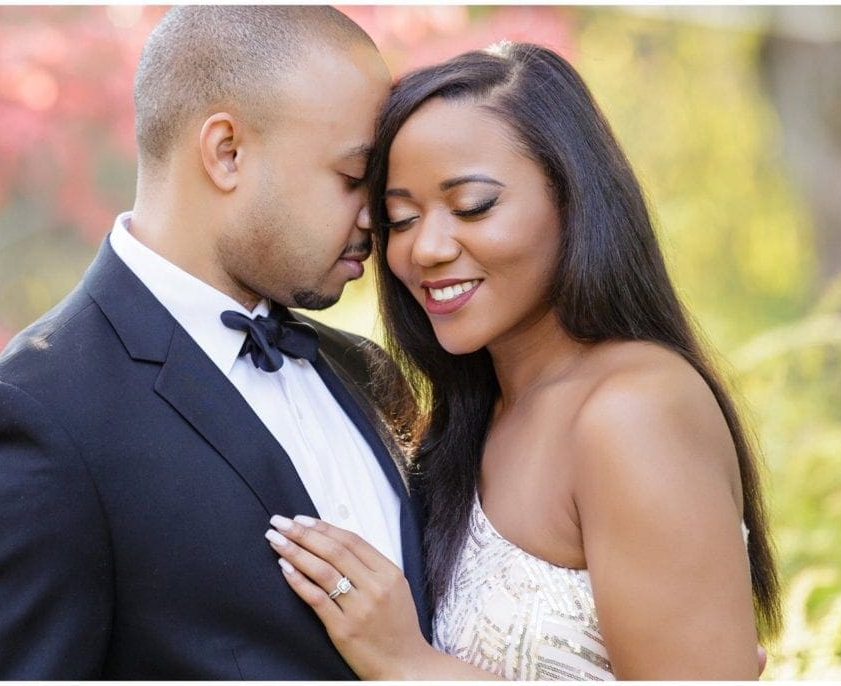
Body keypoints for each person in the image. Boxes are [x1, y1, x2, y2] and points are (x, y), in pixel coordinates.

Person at [0, 6, 430, 679]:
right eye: (350, 177)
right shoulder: (30, 420)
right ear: (226, 152)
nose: (375, 214)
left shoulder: (364, 370)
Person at [264, 42, 782, 680]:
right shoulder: (474, 416)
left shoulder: (632, 413)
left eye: (473, 206)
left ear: (573, 199)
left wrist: (406, 663)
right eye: (400, 219)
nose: (424, 248)